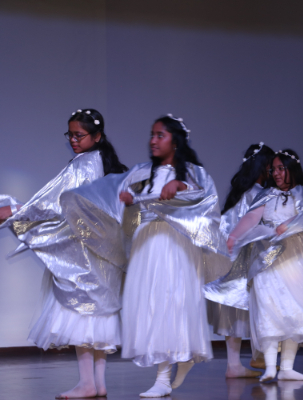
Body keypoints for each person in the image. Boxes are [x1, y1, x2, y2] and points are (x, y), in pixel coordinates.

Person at [61, 114, 230, 397]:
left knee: (170, 303)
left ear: (175, 141)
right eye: (152, 134)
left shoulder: (192, 172)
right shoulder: (142, 172)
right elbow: (112, 190)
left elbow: (204, 200)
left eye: (160, 135)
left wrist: (181, 186)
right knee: (151, 305)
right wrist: (126, 198)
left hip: (174, 244)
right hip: (148, 244)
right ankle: (174, 363)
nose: (153, 140)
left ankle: (163, 378)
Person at [0, 109, 128, 399]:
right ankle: (98, 382)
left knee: (80, 313)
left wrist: (16, 210)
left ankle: (87, 383)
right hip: (101, 253)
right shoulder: (104, 164)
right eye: (70, 134)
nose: (73, 140)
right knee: (97, 317)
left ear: (97, 136)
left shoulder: (85, 164)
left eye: (79, 135)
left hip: (84, 255)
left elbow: (56, 202)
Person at [221, 149, 303, 382]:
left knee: (292, 308)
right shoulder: (267, 194)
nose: (276, 173)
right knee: (269, 307)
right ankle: (271, 367)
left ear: (292, 168)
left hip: (295, 256)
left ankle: (287, 367)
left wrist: (290, 223)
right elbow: (251, 217)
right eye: (273, 169)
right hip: (267, 255)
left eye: (281, 168)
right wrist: (234, 236)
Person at [204, 142, 274, 379]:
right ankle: (259, 357)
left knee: (233, 308)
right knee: (249, 306)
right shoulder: (258, 194)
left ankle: (234, 364)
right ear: (263, 167)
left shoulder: (240, 194)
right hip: (243, 258)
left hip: (230, 257)